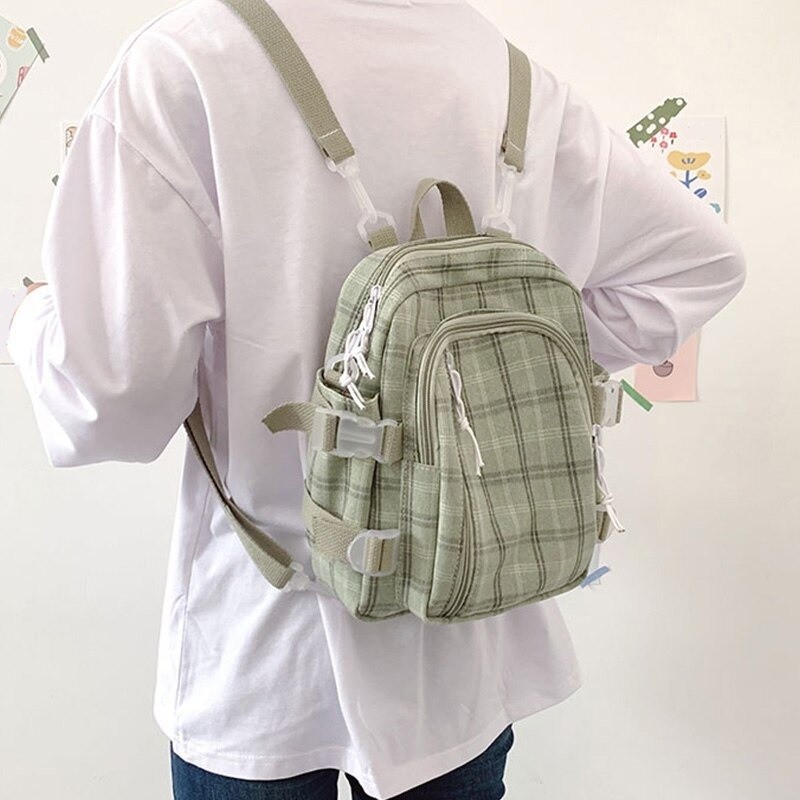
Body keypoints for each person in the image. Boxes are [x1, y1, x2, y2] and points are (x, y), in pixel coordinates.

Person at [5, 0, 747, 798]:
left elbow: (112, 400)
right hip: (459, 661)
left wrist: (33, 315)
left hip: (265, 662)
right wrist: (503, 371)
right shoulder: (504, 71)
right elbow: (699, 265)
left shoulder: (184, 62)